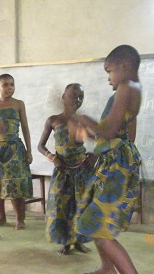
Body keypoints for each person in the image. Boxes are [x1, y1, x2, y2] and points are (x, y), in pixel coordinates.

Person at [68, 45, 142, 274]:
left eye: (109, 71)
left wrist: (84, 119)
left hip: (116, 167)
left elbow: (108, 131)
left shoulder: (126, 87)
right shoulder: (133, 89)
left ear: (124, 66)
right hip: (114, 162)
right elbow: (121, 135)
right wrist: (90, 136)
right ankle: (107, 268)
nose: (108, 78)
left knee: (100, 226)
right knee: (94, 219)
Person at [38, 83, 95, 255]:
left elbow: (100, 140)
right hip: (62, 170)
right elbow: (40, 146)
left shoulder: (82, 120)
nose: (77, 100)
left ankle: (79, 241)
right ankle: (65, 242)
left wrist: (93, 155)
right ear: (63, 97)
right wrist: (52, 157)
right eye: (73, 95)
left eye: (80, 97)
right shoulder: (54, 120)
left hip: (82, 171)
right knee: (61, 207)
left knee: (81, 207)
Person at [0, 73, 33, 230]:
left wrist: (29, 150)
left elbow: (25, 127)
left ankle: (20, 218)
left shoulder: (19, 104)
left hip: (15, 148)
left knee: (15, 184)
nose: (9, 88)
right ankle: (2, 216)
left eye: (11, 84)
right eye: (5, 85)